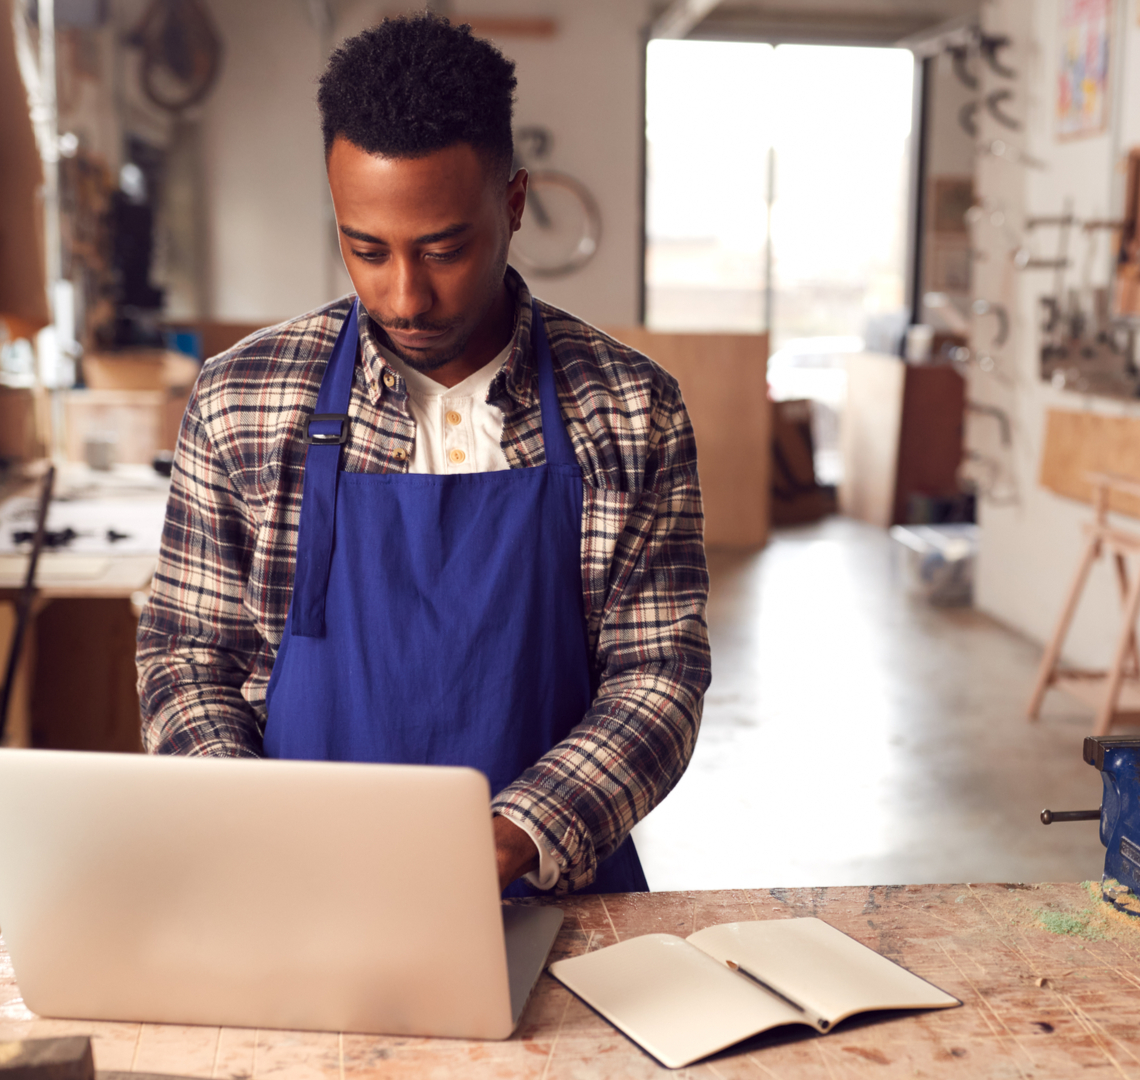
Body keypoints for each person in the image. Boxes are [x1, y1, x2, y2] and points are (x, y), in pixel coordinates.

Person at [134, 14, 709, 897]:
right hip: (302, 892)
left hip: (554, 897)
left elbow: (658, 673)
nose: (404, 296)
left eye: (444, 248)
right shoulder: (242, 400)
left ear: (512, 205)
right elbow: (185, 657)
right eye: (367, 249)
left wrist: (522, 830)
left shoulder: (631, 411)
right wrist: (244, 812)